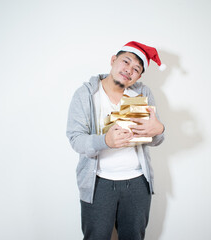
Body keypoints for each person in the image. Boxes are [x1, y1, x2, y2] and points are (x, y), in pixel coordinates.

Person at [66, 41, 165, 240]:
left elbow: (156, 138)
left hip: (138, 183)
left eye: (136, 69)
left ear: (139, 76)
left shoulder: (143, 94)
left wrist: (160, 129)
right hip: (98, 183)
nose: (129, 70)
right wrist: (106, 141)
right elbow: (76, 139)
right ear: (113, 60)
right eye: (125, 62)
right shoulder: (86, 94)